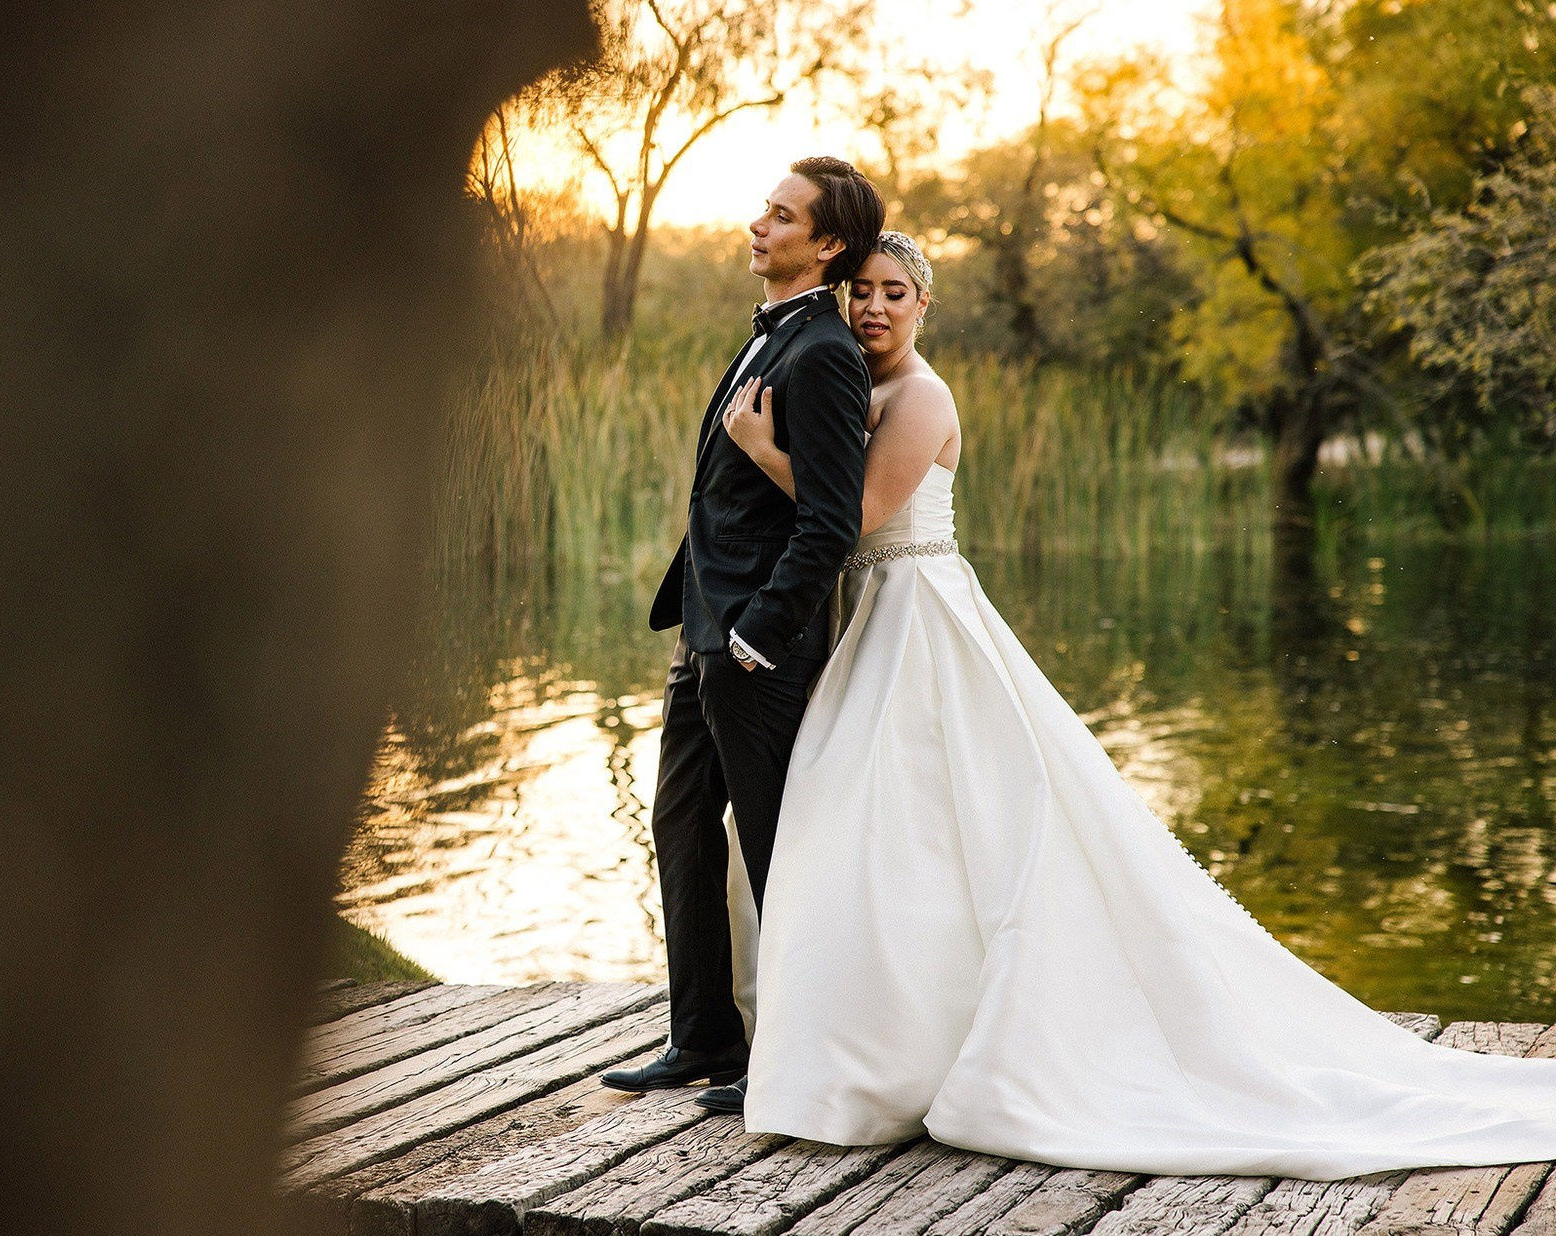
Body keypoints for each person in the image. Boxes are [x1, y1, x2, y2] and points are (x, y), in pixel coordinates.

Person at [713, 230, 1556, 1179]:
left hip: (916, 610)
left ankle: (919, 1050)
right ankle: (879, 1042)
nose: (874, 307)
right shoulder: (851, 384)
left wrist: (764, 451)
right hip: (866, 609)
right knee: (885, 830)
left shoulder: (922, 395)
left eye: (894, 292)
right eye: (862, 291)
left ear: (923, 304)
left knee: (926, 813)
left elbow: (862, 516)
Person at [601, 158, 884, 1111]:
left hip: (758, 647)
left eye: (781, 215)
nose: (759, 225)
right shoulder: (772, 336)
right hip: (705, 634)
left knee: (772, 849)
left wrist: (757, 634)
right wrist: (702, 627)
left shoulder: (825, 354)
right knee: (680, 825)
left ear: (828, 244)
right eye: (765, 210)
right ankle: (703, 1038)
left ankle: (792, 1055)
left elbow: (831, 522)